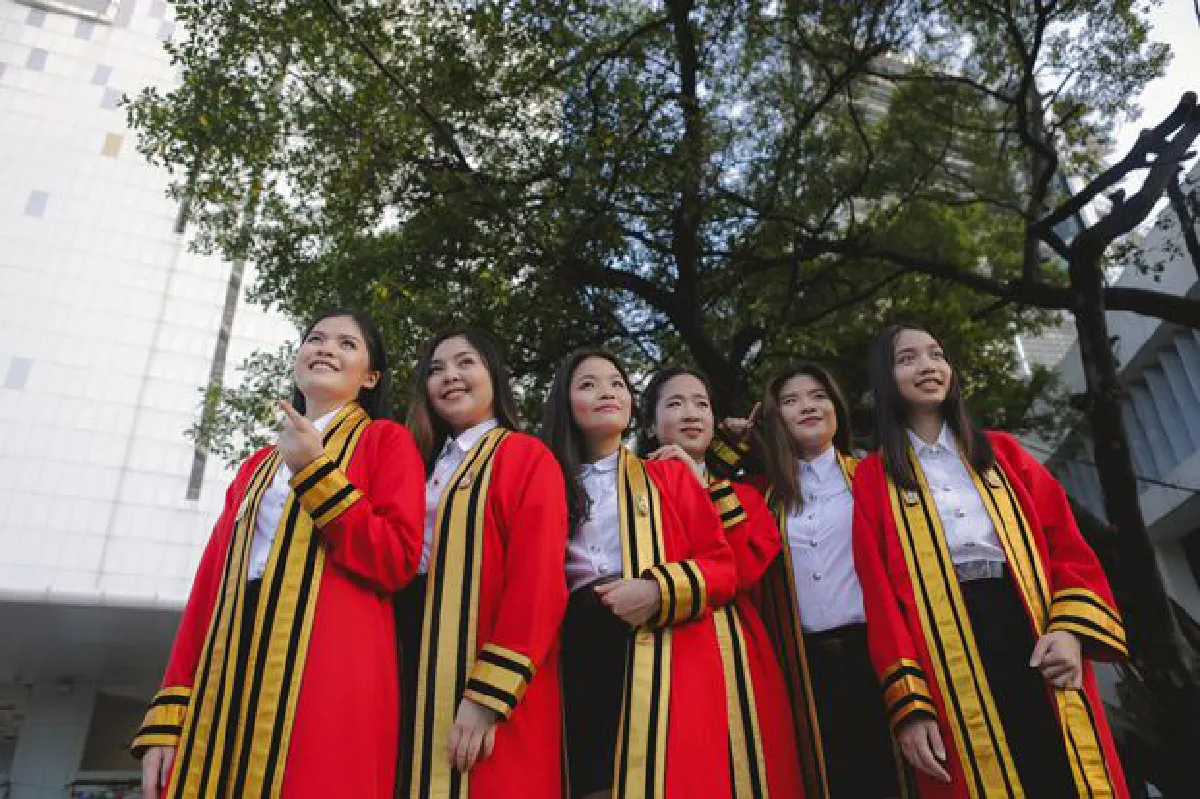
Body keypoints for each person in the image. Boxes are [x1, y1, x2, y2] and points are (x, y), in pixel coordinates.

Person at [132, 309, 425, 799]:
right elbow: (208, 588)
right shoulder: (256, 467)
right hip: (230, 654)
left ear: (370, 377)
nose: (326, 348)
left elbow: (397, 559)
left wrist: (316, 472)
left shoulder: (385, 441)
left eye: (347, 344)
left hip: (328, 663)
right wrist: (169, 713)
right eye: (316, 338)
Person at [852, 323, 1129, 798]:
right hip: (943, 646)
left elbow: (1067, 548)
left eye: (936, 354)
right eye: (908, 359)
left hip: (1029, 622)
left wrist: (1069, 631)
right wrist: (911, 705)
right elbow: (880, 598)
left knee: (1062, 767)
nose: (928, 366)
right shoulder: (874, 478)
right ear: (886, 379)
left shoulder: (1003, 452)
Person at [543, 349, 737, 799]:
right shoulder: (545, 479)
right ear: (565, 402)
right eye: (588, 384)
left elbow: (722, 567)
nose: (606, 392)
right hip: (572, 648)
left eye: (616, 383)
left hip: (652, 641)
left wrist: (656, 590)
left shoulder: (668, 476)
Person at [397, 328, 568, 799]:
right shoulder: (418, 465)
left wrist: (489, 693)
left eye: (465, 363)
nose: (449, 376)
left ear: (494, 376)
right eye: (436, 370)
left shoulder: (525, 456)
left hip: (486, 669)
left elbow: (538, 584)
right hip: (410, 656)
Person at [637, 366, 806, 799]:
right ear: (651, 426)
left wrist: (699, 483)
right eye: (675, 404)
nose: (691, 413)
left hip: (740, 651)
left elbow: (742, 570)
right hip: (661, 649)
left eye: (702, 404)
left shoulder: (745, 496)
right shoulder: (631, 490)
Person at [753, 362, 906, 798]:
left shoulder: (874, 476)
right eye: (791, 400)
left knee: (898, 776)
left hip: (877, 651)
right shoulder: (764, 496)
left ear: (836, 408)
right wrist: (737, 439)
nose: (807, 406)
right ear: (775, 418)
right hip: (802, 663)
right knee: (830, 781)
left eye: (818, 396)